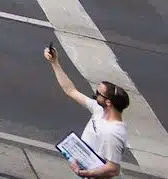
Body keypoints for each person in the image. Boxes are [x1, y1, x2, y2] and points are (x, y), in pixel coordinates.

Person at [47, 47, 132, 179]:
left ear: (108, 102)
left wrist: (85, 173)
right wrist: (55, 63)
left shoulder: (114, 133)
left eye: (98, 94)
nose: (94, 95)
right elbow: (70, 90)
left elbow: (113, 169)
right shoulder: (99, 109)